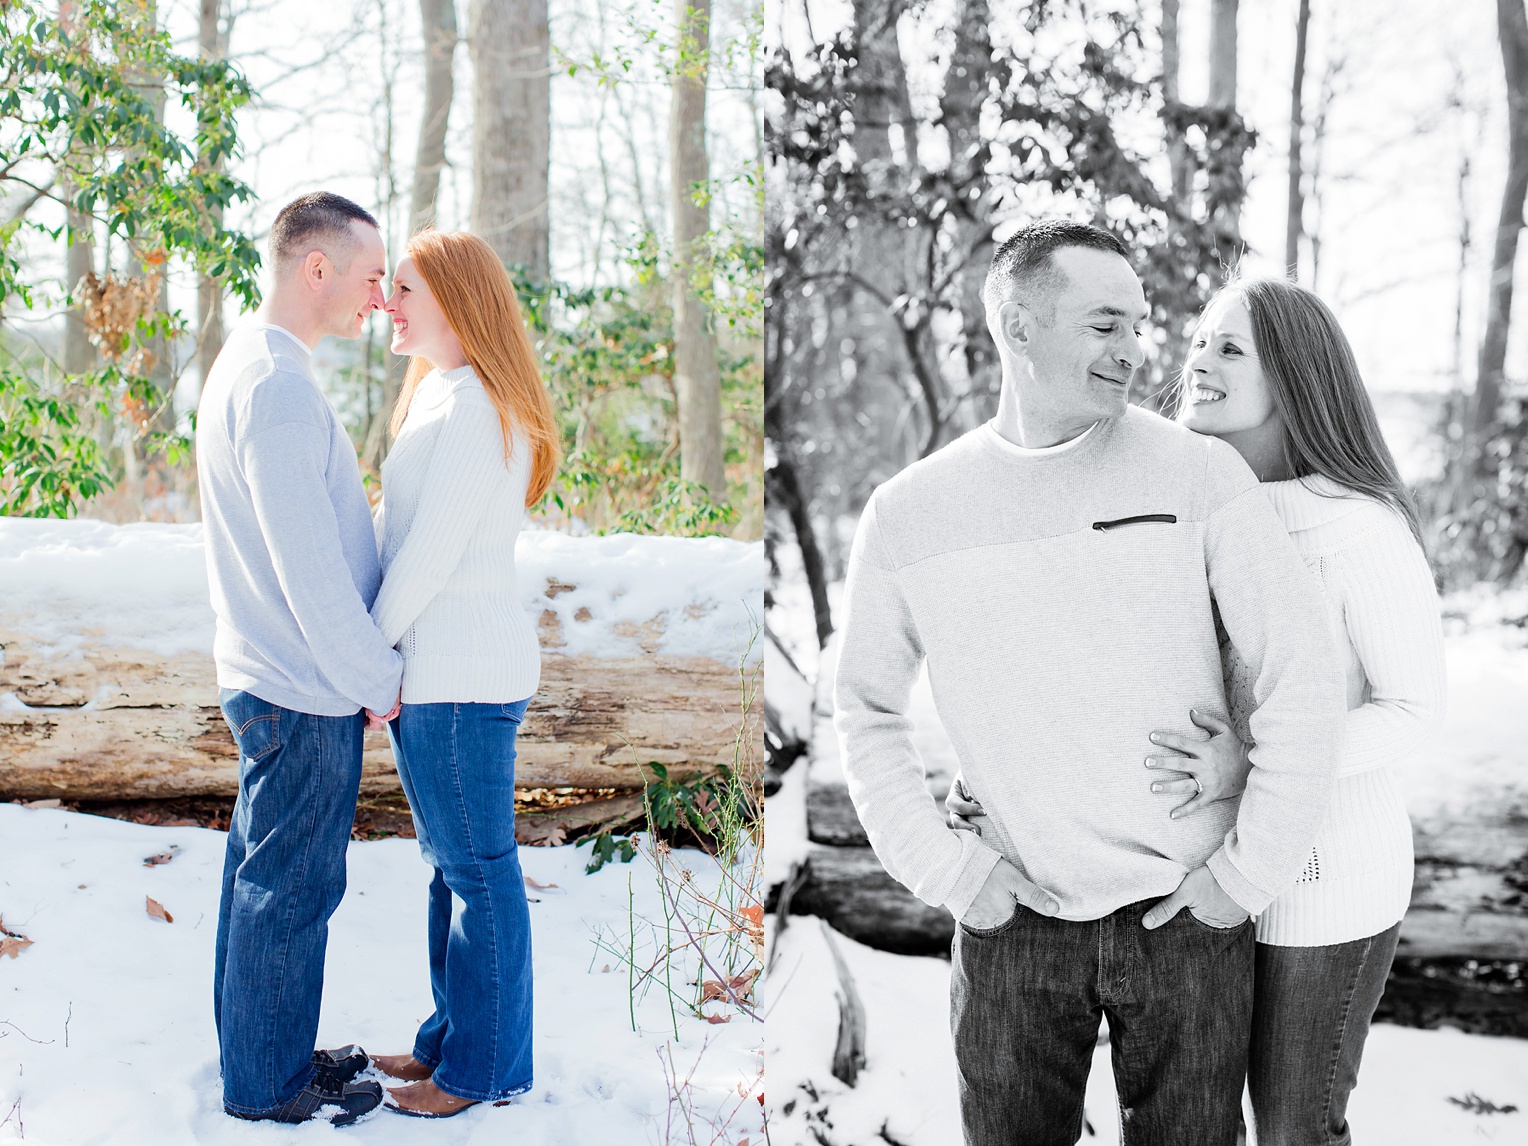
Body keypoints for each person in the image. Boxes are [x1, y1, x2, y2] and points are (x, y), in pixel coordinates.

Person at [833, 220, 1346, 1146]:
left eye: (1139, 324)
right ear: (1019, 326)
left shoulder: (1197, 473)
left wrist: (1243, 875)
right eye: (1105, 324)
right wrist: (950, 871)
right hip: (1012, 921)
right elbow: (865, 711)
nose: (1136, 351)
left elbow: (1300, 679)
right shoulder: (911, 513)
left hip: (1185, 915)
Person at [1144, 279, 1445, 1144]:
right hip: (1205, 875)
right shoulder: (1189, 515)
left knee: (1293, 1128)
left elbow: (1413, 709)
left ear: (1296, 378)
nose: (1197, 359)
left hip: (1328, 889)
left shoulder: (1360, 531)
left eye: (1230, 348)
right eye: (1199, 340)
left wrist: (1261, 760)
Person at [197, 191, 404, 1126]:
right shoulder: (276, 389)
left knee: (263, 879)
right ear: (314, 268)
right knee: (291, 889)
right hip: (301, 686)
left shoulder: (253, 366)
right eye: (369, 276)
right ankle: (267, 1085)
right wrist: (376, 681)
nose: (378, 297)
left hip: (275, 676)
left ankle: (263, 1053)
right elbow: (310, 573)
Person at [361, 229, 561, 1118]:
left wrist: (369, 656)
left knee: (479, 874)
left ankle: (483, 1071)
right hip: (438, 672)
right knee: (454, 870)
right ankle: (451, 1041)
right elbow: (397, 533)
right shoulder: (443, 397)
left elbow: (431, 553)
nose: (386, 305)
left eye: (404, 289)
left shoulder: (478, 405)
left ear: (456, 299)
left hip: (459, 676)